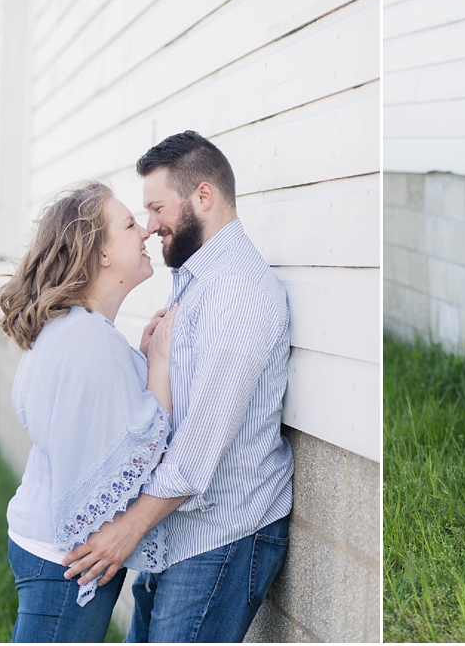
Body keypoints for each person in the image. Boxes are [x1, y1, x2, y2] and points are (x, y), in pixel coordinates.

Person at [61, 131, 294, 643]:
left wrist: (125, 532)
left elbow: (197, 451)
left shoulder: (240, 294)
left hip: (223, 534)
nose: (149, 226)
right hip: (177, 529)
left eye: (157, 208)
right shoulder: (196, 275)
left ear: (203, 197)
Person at [0, 182, 177, 642]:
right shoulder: (88, 339)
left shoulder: (80, 329)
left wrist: (136, 359)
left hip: (47, 547)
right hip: (64, 561)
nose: (145, 232)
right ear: (100, 255)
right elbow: (149, 441)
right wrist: (160, 364)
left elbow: (98, 415)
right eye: (130, 225)